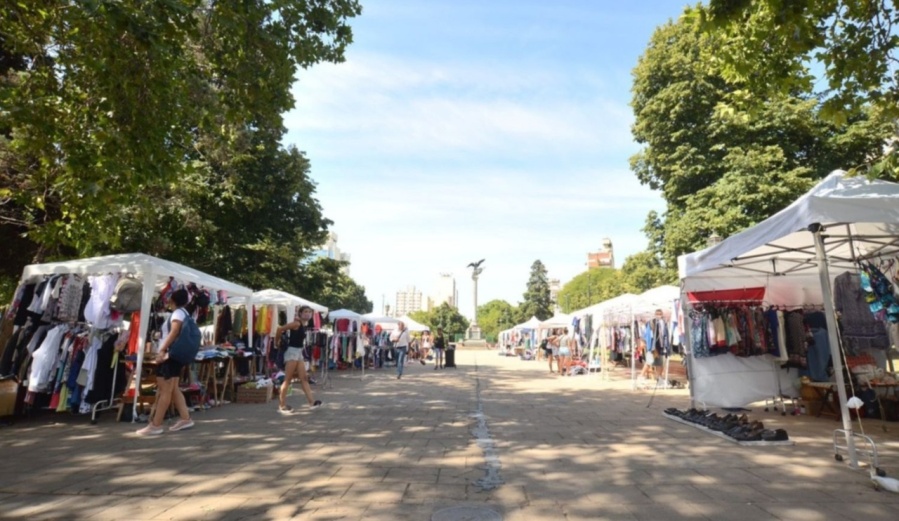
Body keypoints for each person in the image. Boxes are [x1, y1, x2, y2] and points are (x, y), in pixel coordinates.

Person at [136, 288, 195, 436]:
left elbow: (174, 332)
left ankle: (156, 425)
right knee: (173, 389)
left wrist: (162, 350)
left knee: (165, 390)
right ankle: (185, 418)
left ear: (172, 300)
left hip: (169, 356)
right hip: (175, 356)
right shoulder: (185, 313)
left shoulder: (177, 314)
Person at [274, 306, 322, 413]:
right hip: (292, 352)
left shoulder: (303, 325)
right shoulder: (296, 323)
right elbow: (279, 329)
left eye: (309, 312)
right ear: (300, 313)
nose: (308, 314)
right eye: (305, 312)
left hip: (299, 353)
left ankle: (312, 402)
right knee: (287, 379)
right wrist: (276, 343)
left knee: (304, 378)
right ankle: (282, 406)